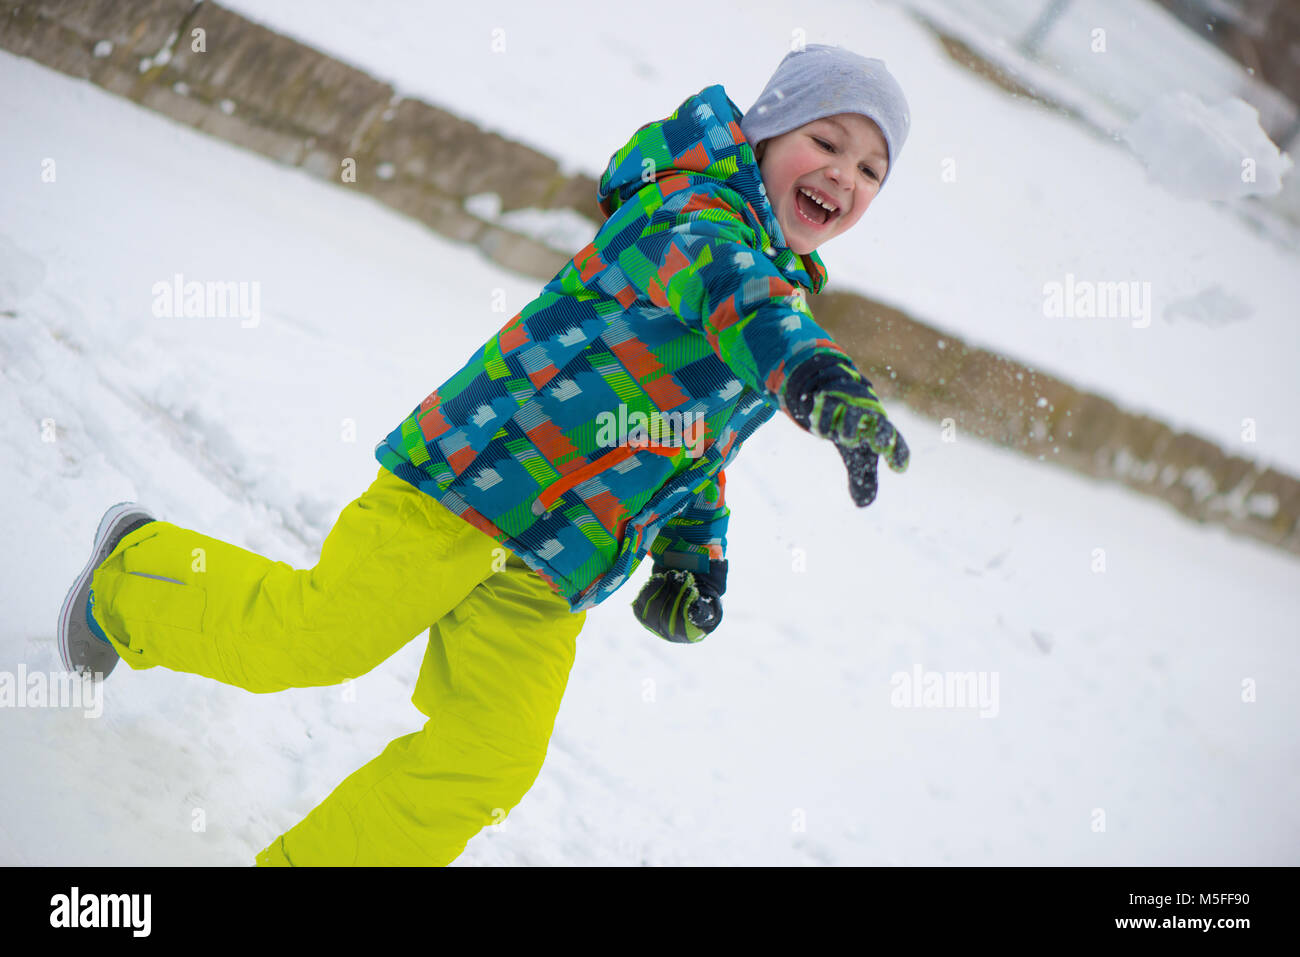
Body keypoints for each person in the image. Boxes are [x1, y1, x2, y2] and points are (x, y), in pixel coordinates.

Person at [57, 43, 913, 866]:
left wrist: (695, 555)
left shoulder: (780, 294)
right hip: (469, 487)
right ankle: (132, 575)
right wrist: (811, 371)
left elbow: (690, 442)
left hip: (554, 566)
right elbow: (731, 293)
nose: (845, 174)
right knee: (312, 641)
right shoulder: (688, 218)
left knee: (490, 757)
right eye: (826, 141)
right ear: (766, 135)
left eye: (871, 169)